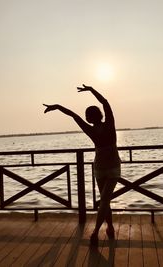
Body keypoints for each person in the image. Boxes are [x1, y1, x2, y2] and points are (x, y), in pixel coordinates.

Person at [43, 84, 121, 246]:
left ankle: (96, 232)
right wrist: (91, 90)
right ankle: (110, 227)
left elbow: (73, 115)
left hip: (100, 167)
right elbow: (105, 102)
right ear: (100, 114)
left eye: (87, 116)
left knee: (104, 200)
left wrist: (57, 107)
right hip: (111, 166)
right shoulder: (109, 124)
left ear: (89, 118)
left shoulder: (89, 129)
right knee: (105, 201)